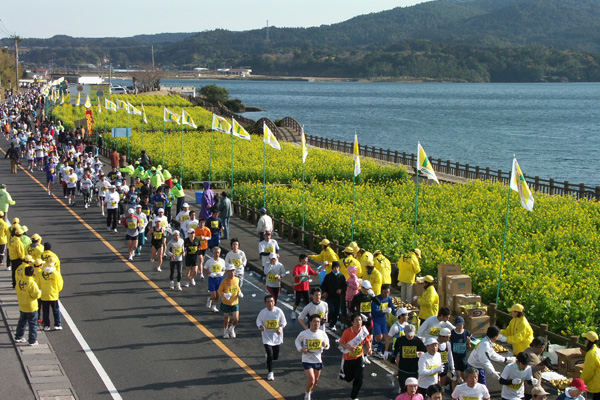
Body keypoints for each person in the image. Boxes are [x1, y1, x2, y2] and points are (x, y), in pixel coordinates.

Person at [294, 314, 330, 400]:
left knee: (315, 382)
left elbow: (328, 345)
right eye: (314, 321)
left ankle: (310, 391)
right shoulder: (304, 333)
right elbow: (297, 341)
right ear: (310, 322)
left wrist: (325, 345)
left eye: (318, 322)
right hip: (307, 359)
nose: (316, 323)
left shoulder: (322, 334)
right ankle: (307, 394)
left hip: (317, 360)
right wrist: (301, 349)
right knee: (312, 380)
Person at [338, 313, 372, 400]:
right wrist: (348, 347)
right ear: (352, 322)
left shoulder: (363, 331)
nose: (358, 322)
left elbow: (367, 340)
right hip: (348, 358)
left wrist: (369, 348)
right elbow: (341, 343)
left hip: (359, 357)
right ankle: (343, 375)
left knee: (359, 378)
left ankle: (354, 397)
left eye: (360, 320)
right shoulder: (347, 332)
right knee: (348, 378)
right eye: (356, 320)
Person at [257, 294, 287, 381]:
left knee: (275, 357)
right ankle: (270, 372)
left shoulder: (279, 311)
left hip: (276, 337)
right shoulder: (263, 312)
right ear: (265, 303)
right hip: (267, 337)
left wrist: (280, 328)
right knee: (270, 355)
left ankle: (269, 357)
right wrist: (261, 326)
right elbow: (258, 321)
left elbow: (284, 322)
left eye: (272, 301)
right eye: (268, 302)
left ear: (274, 302)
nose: (270, 303)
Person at [14, 266, 41, 346]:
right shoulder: (32, 283)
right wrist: (40, 292)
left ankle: (18, 336)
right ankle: (32, 340)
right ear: (33, 274)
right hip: (31, 306)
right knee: (32, 324)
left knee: (22, 321)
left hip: (22, 305)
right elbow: (36, 295)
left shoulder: (20, 280)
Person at [36, 257, 64, 331]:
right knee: (56, 310)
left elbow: (38, 284)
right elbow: (60, 284)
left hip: (44, 294)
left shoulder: (42, 272)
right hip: (53, 294)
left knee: (45, 311)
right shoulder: (56, 273)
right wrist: (57, 290)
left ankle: (46, 325)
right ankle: (57, 324)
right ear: (54, 264)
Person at [217, 264, 242, 339]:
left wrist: (239, 292)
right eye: (230, 271)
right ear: (228, 272)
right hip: (226, 302)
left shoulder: (237, 279)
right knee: (227, 319)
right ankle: (225, 331)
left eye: (233, 271)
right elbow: (219, 291)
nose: (232, 272)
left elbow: (237, 288)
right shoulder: (224, 281)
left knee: (236, 319)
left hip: (235, 302)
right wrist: (224, 295)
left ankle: (232, 328)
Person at [320, 261, 346, 331]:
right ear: (332, 268)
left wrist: (341, 290)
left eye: (337, 267)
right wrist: (324, 292)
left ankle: (332, 324)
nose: (336, 269)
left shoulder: (342, 276)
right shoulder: (328, 276)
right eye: (335, 267)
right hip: (329, 296)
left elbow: (345, 286)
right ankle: (327, 321)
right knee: (331, 310)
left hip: (337, 297)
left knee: (336, 311)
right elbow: (323, 286)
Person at [371, 284, 395, 357]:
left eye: (388, 292)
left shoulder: (389, 299)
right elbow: (374, 311)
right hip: (375, 319)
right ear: (381, 292)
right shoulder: (376, 299)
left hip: (382, 320)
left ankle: (379, 350)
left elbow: (392, 307)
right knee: (379, 336)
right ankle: (372, 344)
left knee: (385, 337)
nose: (386, 294)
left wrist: (397, 314)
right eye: (385, 292)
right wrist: (383, 311)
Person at [292, 253, 318, 320]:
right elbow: (295, 275)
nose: (306, 260)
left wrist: (319, 270)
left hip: (305, 287)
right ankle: (293, 312)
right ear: (301, 259)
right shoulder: (297, 267)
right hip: (298, 287)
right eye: (305, 259)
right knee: (297, 301)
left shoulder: (307, 267)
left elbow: (314, 274)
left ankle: (308, 314)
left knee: (307, 301)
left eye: (307, 259)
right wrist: (304, 276)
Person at [451, 316, 474, 384]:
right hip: (454, 357)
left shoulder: (467, 333)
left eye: (461, 324)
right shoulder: (452, 333)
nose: (460, 326)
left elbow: (469, 348)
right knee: (455, 376)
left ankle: (465, 386)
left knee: (464, 373)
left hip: (463, 357)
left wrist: (468, 342)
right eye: (458, 325)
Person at [204, 246, 226, 313]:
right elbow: (204, 269)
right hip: (212, 278)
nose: (217, 254)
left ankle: (214, 306)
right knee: (214, 295)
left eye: (218, 253)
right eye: (216, 252)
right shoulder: (209, 261)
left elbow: (224, 269)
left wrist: (222, 273)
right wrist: (209, 273)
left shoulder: (222, 261)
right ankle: (209, 299)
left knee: (218, 294)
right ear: (213, 253)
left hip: (219, 278)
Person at [581, 331, 600, 400]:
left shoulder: (591, 354)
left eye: (585, 339)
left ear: (588, 341)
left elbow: (588, 372)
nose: (585, 341)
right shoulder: (598, 350)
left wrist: (581, 383)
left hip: (597, 386)